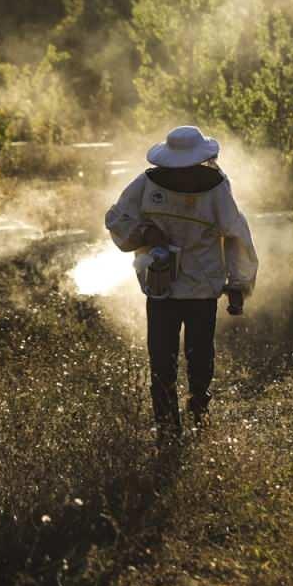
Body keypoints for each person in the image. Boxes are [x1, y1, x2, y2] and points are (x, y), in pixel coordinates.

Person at [105, 125, 258, 444]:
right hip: (162, 285)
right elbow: (118, 218)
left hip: (201, 287)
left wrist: (238, 284)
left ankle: (198, 412)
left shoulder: (216, 187)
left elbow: (235, 236)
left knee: (198, 357)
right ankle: (167, 429)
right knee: (162, 360)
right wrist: (147, 234)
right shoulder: (148, 184)